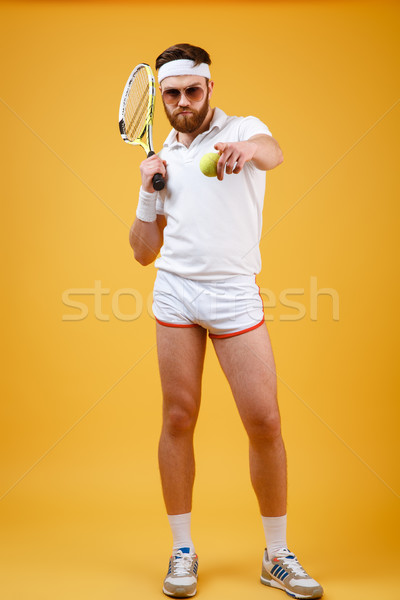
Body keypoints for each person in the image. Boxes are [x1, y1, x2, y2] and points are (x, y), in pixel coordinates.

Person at [129, 43, 323, 600]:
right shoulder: (160, 158)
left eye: (194, 90)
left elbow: (274, 152)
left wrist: (244, 150)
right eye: (173, 93)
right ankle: (183, 550)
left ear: (210, 87)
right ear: (161, 98)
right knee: (178, 417)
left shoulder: (243, 128)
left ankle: (277, 556)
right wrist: (147, 193)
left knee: (264, 422)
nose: (184, 101)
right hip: (175, 297)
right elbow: (143, 253)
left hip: (235, 295)